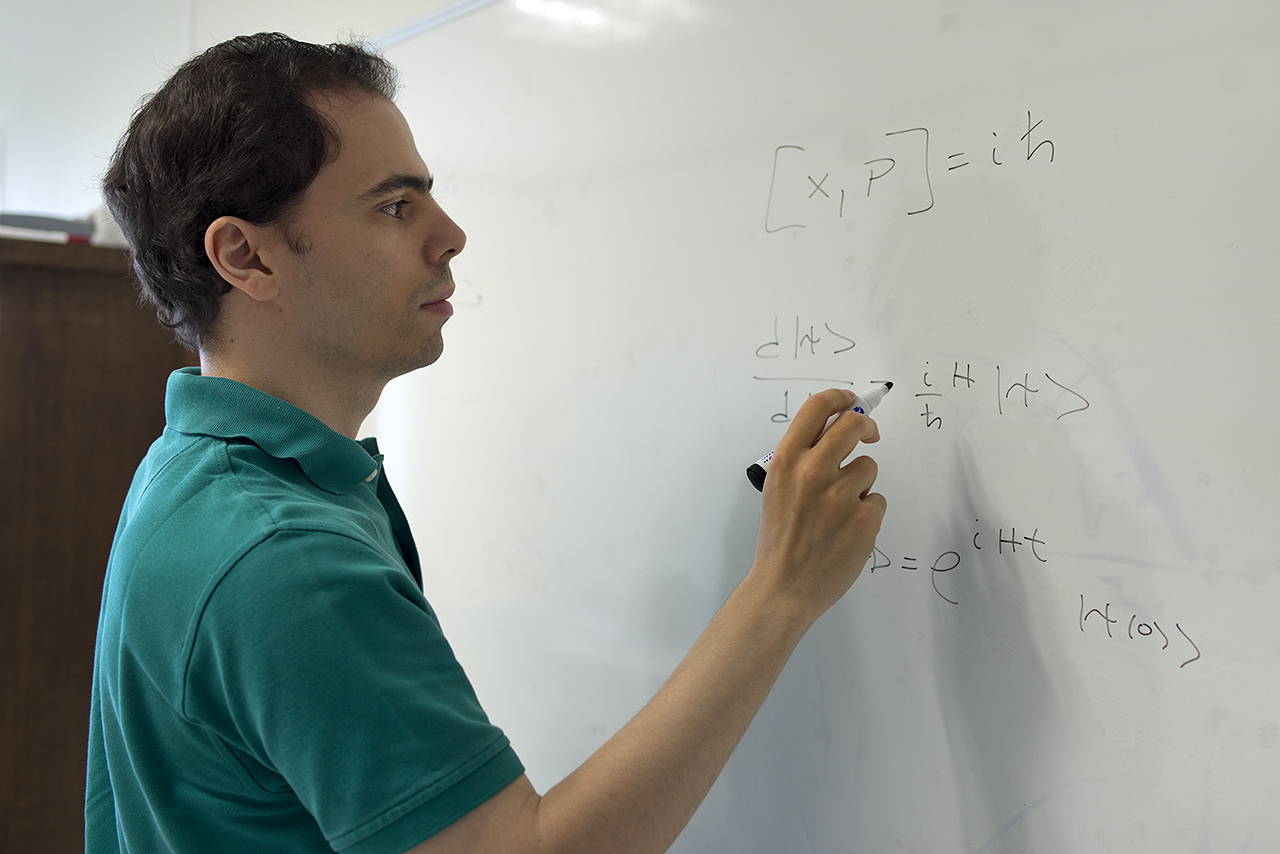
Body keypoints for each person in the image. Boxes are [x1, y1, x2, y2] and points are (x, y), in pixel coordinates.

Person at [87, 32, 886, 854]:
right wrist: (781, 591)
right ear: (246, 256)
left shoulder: (194, 474)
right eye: (395, 207)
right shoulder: (283, 556)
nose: (452, 235)